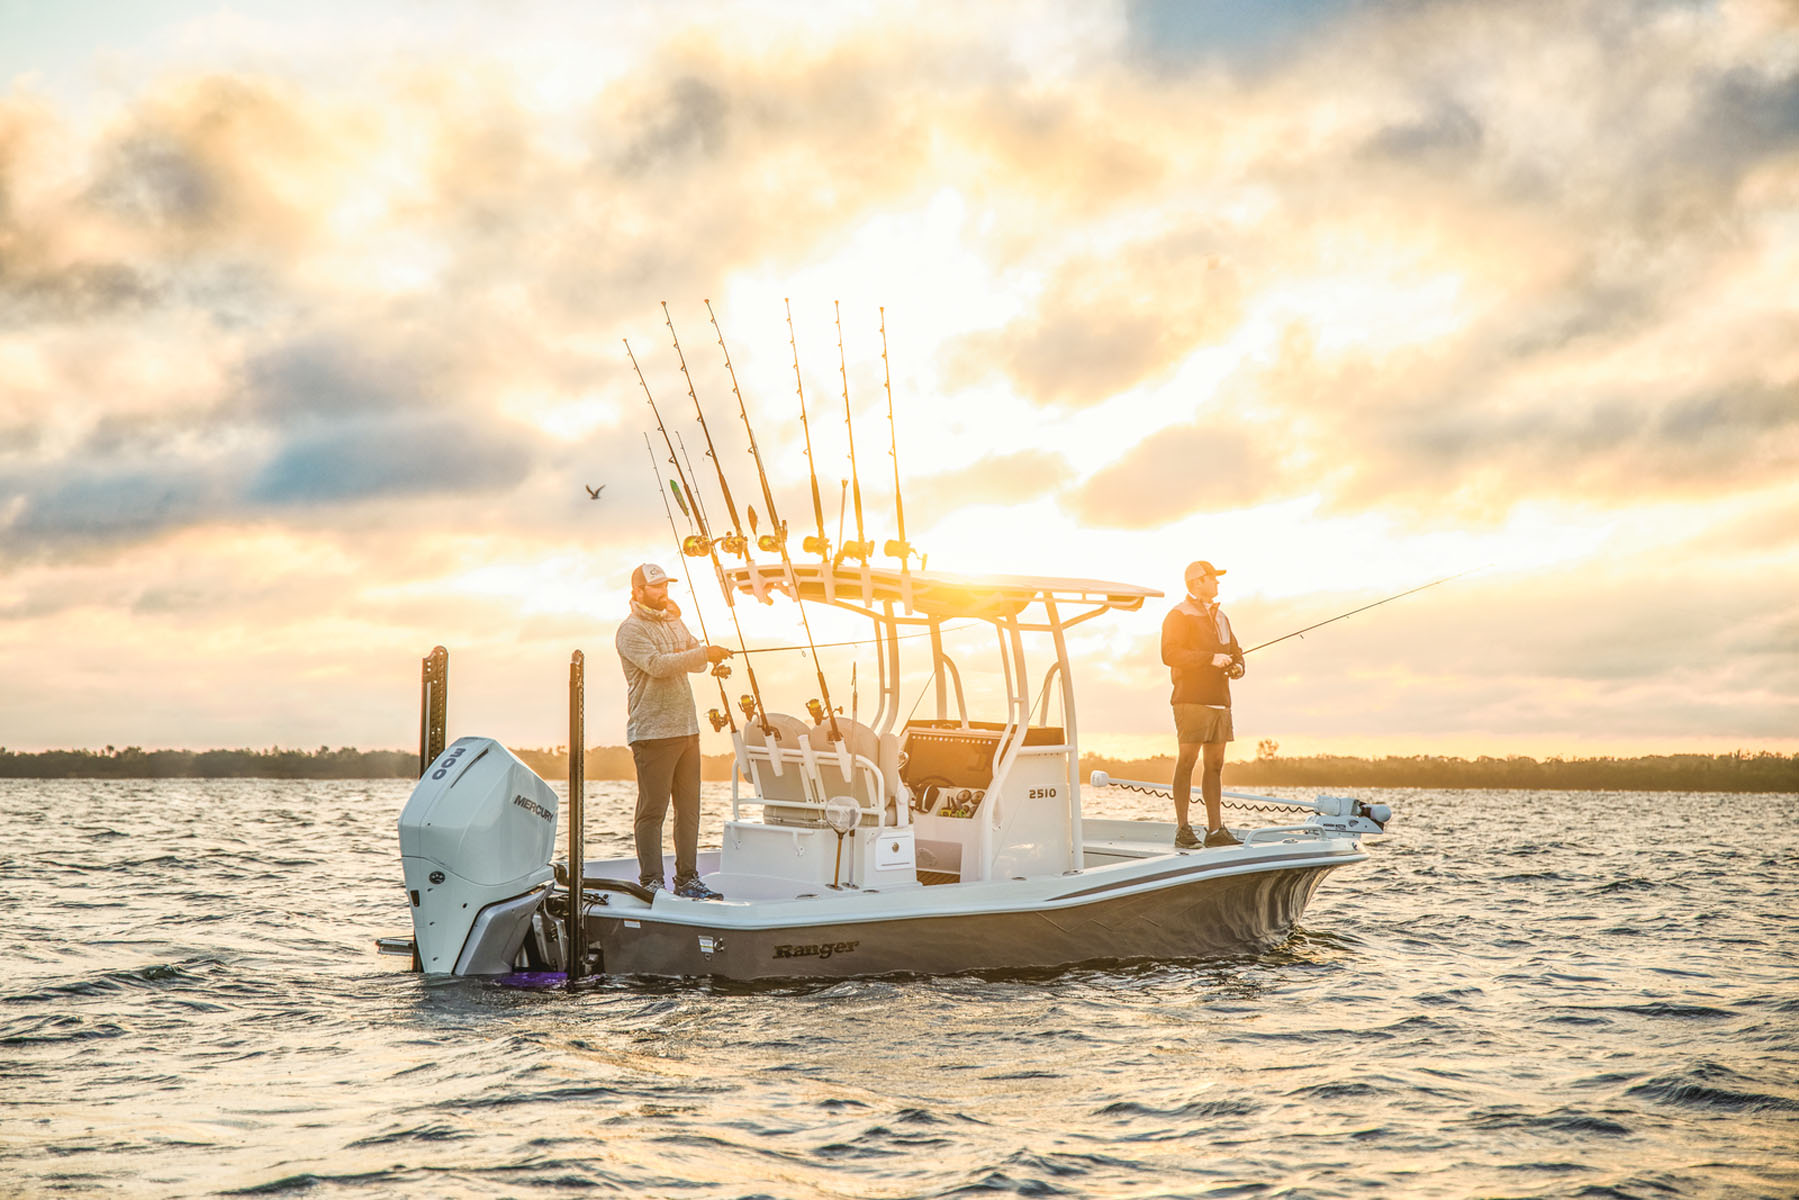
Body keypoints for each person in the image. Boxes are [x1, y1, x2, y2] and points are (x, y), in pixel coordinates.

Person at [615, 562, 734, 899]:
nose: (662, 591)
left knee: (689, 809)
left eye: (665, 585)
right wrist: (700, 653)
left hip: (687, 730)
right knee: (653, 810)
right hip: (652, 733)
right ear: (637, 591)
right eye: (655, 587)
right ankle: (651, 881)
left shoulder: (674, 620)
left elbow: (696, 663)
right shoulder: (630, 630)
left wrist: (701, 654)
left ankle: (687, 880)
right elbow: (657, 666)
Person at [1160, 559, 1245, 849]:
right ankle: (1183, 829)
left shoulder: (1222, 617)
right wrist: (1209, 658)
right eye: (1212, 578)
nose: (1217, 583)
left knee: (1216, 765)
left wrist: (1238, 667)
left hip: (1220, 700)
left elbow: (1236, 651)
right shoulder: (1178, 615)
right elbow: (1170, 654)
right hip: (1190, 699)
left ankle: (1215, 831)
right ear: (1197, 582)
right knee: (1187, 762)